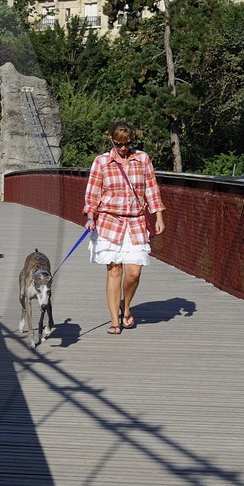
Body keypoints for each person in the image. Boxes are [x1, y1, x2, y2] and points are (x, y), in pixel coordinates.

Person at [83, 122, 166, 334]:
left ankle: (125, 305)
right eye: (118, 144)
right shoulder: (101, 162)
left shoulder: (143, 159)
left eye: (127, 144)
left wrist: (158, 216)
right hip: (109, 221)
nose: (122, 148)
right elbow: (92, 194)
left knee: (134, 273)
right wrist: (90, 216)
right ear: (111, 140)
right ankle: (115, 321)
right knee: (114, 270)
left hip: (136, 221)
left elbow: (152, 189)